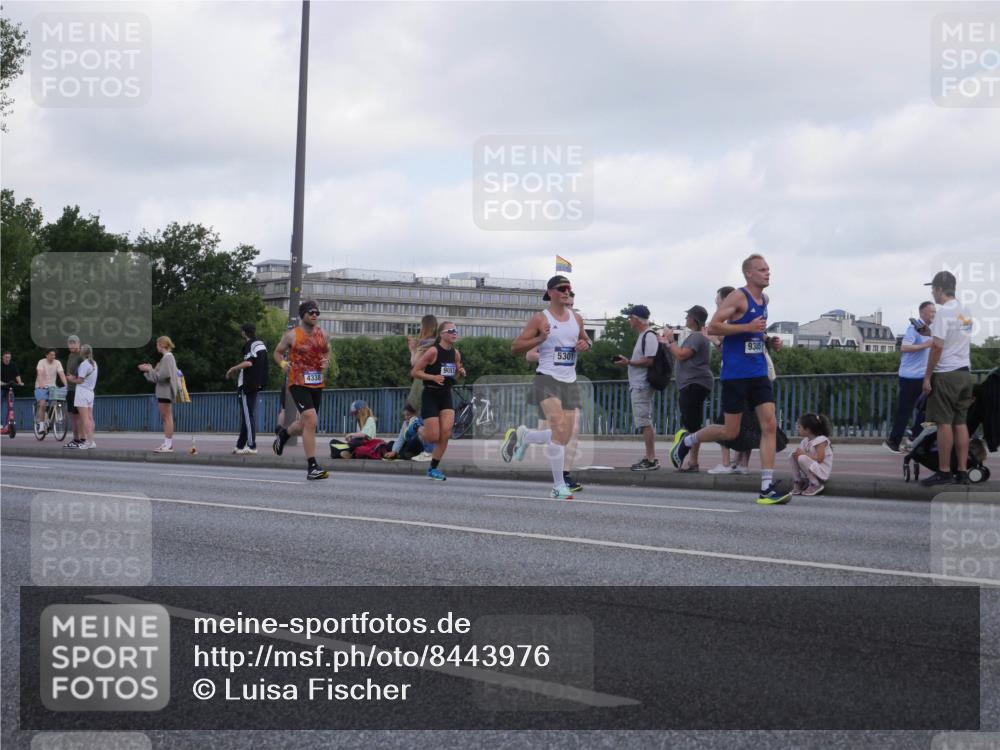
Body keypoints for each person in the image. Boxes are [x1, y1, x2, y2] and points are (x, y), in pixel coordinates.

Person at [670, 254, 790, 504]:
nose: (768, 273)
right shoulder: (738, 296)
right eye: (762, 269)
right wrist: (747, 328)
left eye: (768, 269)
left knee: (769, 426)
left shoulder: (764, 299)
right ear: (748, 274)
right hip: (736, 375)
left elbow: (758, 330)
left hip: (758, 373)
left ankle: (766, 487)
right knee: (729, 430)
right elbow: (713, 327)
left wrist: (768, 340)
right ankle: (688, 439)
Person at [501, 275, 591, 500]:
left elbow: (587, 340)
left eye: (569, 288)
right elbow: (515, 347)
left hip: (569, 382)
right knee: (560, 430)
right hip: (546, 379)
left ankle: (525, 436)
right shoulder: (540, 318)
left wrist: (585, 344)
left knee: (565, 436)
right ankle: (558, 486)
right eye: (561, 288)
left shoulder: (577, 318)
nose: (566, 292)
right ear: (550, 292)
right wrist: (540, 337)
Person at [921, 270, 975, 486]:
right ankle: (962, 471)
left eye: (933, 288)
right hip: (965, 373)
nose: (932, 293)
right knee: (960, 423)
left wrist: (927, 377)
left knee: (944, 424)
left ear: (940, 289)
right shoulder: (965, 311)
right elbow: (955, 336)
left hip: (946, 374)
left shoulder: (943, 312)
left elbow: (937, 346)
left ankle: (944, 471)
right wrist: (930, 331)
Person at [273, 300, 331, 480]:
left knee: (306, 424)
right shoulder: (292, 335)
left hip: (316, 382)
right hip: (297, 382)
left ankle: (284, 434)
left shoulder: (324, 335)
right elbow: (277, 353)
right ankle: (312, 467)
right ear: (303, 315)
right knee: (311, 420)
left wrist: (326, 361)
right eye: (311, 312)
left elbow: (326, 351)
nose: (315, 315)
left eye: (317, 313)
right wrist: (283, 363)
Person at [661, 305, 714, 472]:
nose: (685, 320)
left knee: (691, 424)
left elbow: (682, 354)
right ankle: (693, 462)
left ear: (693, 319)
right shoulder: (698, 336)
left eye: (687, 317)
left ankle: (684, 452)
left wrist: (670, 340)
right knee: (693, 424)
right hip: (694, 383)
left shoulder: (696, 337)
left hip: (693, 383)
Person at [412, 320, 466, 481]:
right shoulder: (433, 352)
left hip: (446, 395)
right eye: (450, 330)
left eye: (456, 330)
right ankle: (415, 426)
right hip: (430, 394)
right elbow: (415, 372)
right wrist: (432, 377)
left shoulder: (456, 353)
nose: (454, 333)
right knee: (432, 437)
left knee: (446, 434)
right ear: (442, 335)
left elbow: (455, 372)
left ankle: (433, 469)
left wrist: (461, 372)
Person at [613, 304, 660, 471]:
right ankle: (649, 457)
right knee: (643, 421)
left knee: (644, 421)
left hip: (642, 385)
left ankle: (651, 458)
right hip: (639, 384)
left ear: (637, 319)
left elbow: (650, 360)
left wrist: (629, 362)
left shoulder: (649, 336)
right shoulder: (644, 335)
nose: (628, 321)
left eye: (630, 317)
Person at [884, 301, 936, 453]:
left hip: (923, 376)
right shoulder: (914, 328)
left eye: (935, 312)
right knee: (905, 410)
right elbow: (904, 347)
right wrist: (925, 345)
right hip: (910, 376)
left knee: (928, 407)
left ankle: (914, 435)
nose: (934, 314)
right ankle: (893, 441)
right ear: (922, 313)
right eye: (931, 312)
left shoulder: (930, 330)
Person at [226, 323, 268, 455]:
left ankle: (251, 445)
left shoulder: (249, 345)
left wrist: (232, 368)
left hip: (247, 385)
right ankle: (240, 445)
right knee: (246, 415)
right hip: (257, 383)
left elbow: (249, 362)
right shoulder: (261, 344)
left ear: (244, 332)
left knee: (248, 416)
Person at [139, 336, 180, 452]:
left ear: (162, 344)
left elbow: (161, 376)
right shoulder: (167, 358)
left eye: (157, 344)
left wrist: (149, 369)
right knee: (166, 417)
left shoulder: (167, 358)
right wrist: (149, 370)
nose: (156, 347)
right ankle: (167, 443)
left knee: (167, 417)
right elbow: (155, 377)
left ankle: (169, 445)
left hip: (165, 391)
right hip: (164, 391)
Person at [406, 315, 438, 461]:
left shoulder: (424, 344)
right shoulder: (439, 343)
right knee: (430, 417)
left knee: (415, 416)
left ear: (424, 327)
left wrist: (412, 349)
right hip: (437, 384)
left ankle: (427, 451)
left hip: (422, 383)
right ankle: (429, 450)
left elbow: (415, 364)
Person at [790, 413, 833, 496]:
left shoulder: (821, 440)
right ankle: (798, 481)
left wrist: (803, 454)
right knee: (792, 455)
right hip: (813, 468)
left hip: (822, 471)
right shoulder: (805, 441)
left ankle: (816, 484)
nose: (797, 429)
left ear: (807, 430)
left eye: (799, 427)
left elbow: (820, 459)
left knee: (802, 458)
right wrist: (798, 454)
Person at [67, 344, 98, 450]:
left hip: (82, 392)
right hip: (90, 392)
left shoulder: (84, 364)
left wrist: (71, 379)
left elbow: (80, 380)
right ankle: (91, 440)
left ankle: (89, 441)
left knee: (85, 419)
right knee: (90, 417)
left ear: (82, 353)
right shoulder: (94, 363)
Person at [35, 348, 68, 430]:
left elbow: (61, 374)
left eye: (54, 355)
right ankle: (41, 425)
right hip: (41, 386)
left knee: (58, 399)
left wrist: (66, 384)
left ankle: (58, 413)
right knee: (42, 404)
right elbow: (40, 374)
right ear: (46, 355)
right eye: (51, 355)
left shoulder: (57, 363)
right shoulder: (41, 362)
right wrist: (41, 385)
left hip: (52, 386)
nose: (53, 356)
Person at [65, 335, 83, 447]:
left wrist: (73, 378)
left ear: (79, 344)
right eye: (70, 343)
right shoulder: (70, 355)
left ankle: (81, 439)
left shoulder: (81, 356)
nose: (71, 345)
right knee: (73, 416)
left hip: (78, 389)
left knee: (79, 417)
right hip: (70, 389)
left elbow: (85, 373)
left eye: (74, 343)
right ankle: (76, 439)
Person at [1, 351, 24, 429]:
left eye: (9, 357)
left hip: (9, 388)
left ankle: (8, 425)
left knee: (10, 407)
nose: (8, 359)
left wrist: (20, 382)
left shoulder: (13, 365)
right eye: (6, 357)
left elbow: (17, 375)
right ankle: (0, 424)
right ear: (3, 357)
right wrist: (3, 383)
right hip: (1, 387)